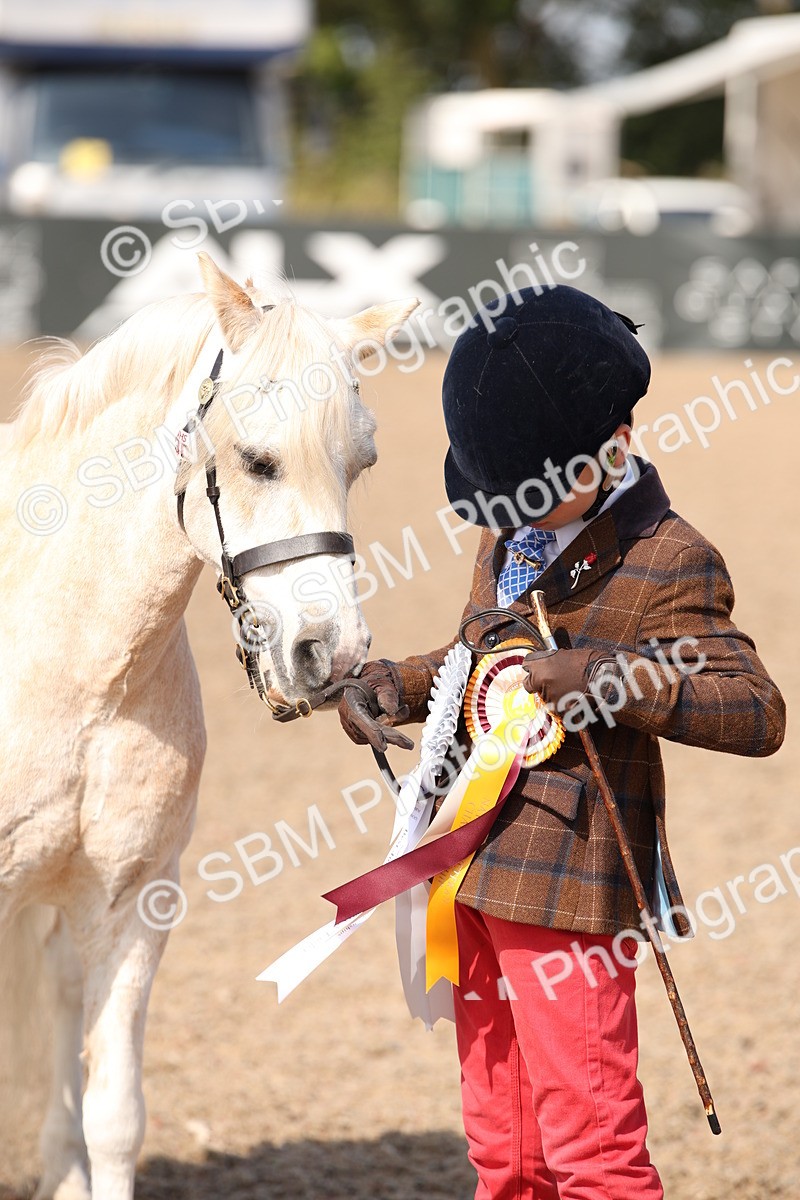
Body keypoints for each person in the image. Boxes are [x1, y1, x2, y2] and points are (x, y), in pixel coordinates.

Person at [338, 285, 785, 1199]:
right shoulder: (510, 534)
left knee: (593, 1157)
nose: (515, 517)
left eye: (534, 496)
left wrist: (602, 675)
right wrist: (398, 684)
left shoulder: (671, 557)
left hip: (571, 897)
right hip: (469, 875)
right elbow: (482, 657)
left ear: (614, 448)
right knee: (504, 1155)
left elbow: (754, 709)